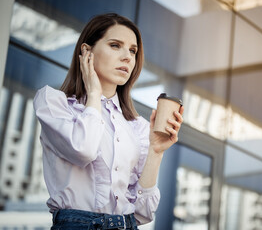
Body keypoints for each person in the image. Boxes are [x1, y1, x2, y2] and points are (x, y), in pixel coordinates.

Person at [33, 13, 184, 230]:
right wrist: (94, 93)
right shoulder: (53, 103)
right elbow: (83, 149)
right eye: (115, 45)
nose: (127, 57)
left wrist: (156, 151)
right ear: (87, 51)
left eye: (133, 51)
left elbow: (143, 213)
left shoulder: (137, 126)